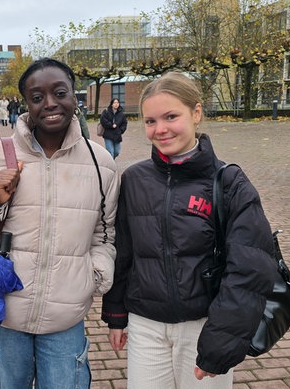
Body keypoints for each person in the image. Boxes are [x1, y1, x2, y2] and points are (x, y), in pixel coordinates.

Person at [0, 57, 120, 388]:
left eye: (60, 92)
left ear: (75, 96)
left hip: (66, 318)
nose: (50, 104)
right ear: (26, 104)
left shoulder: (101, 163)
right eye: (37, 97)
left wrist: (93, 274)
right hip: (5, 314)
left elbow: (105, 233)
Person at [101, 72, 276, 388]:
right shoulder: (135, 179)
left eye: (171, 116)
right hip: (146, 326)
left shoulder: (229, 182)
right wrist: (116, 313)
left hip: (204, 324)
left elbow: (251, 270)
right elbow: (123, 252)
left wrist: (222, 340)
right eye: (151, 121)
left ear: (196, 113)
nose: (161, 129)